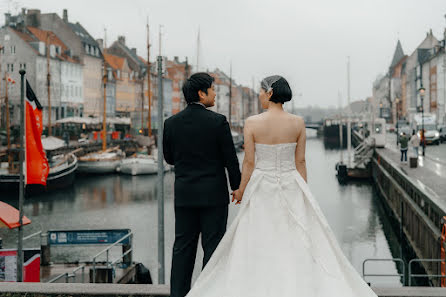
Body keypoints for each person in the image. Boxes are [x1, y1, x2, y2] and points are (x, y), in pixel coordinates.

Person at [184, 75, 378, 296]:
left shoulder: (252, 123)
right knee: (295, 239)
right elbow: (301, 161)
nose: (258, 95)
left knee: (258, 238)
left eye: (260, 91)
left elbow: (248, 162)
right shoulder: (298, 123)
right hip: (291, 182)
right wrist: (303, 190)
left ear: (269, 93)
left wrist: (240, 190)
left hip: (261, 185)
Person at [163, 72, 241, 297]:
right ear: (201, 93)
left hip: (185, 195)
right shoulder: (218, 121)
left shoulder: (171, 123)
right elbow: (230, 160)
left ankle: (178, 294)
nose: (215, 93)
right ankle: (209, 292)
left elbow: (169, 158)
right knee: (213, 248)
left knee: (183, 248)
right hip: (213, 196)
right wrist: (236, 186)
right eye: (212, 89)